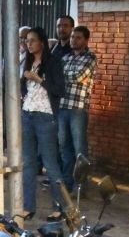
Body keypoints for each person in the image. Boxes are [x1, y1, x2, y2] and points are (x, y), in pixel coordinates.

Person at [20, 26, 67, 219]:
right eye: (27, 41)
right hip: (27, 113)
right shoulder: (28, 60)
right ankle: (28, 206)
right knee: (29, 162)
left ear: (42, 42)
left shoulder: (53, 62)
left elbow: (59, 90)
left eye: (32, 40)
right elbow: (23, 84)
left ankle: (59, 207)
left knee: (50, 162)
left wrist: (39, 79)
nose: (28, 44)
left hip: (45, 115)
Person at [56, 25, 96, 186]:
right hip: (62, 106)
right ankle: (67, 182)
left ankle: (81, 185)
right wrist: (65, 77)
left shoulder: (90, 58)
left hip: (78, 108)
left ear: (86, 40)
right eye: (72, 37)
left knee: (79, 148)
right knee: (64, 147)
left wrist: (64, 76)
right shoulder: (66, 58)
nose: (73, 40)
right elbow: (58, 78)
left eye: (78, 37)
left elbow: (79, 76)